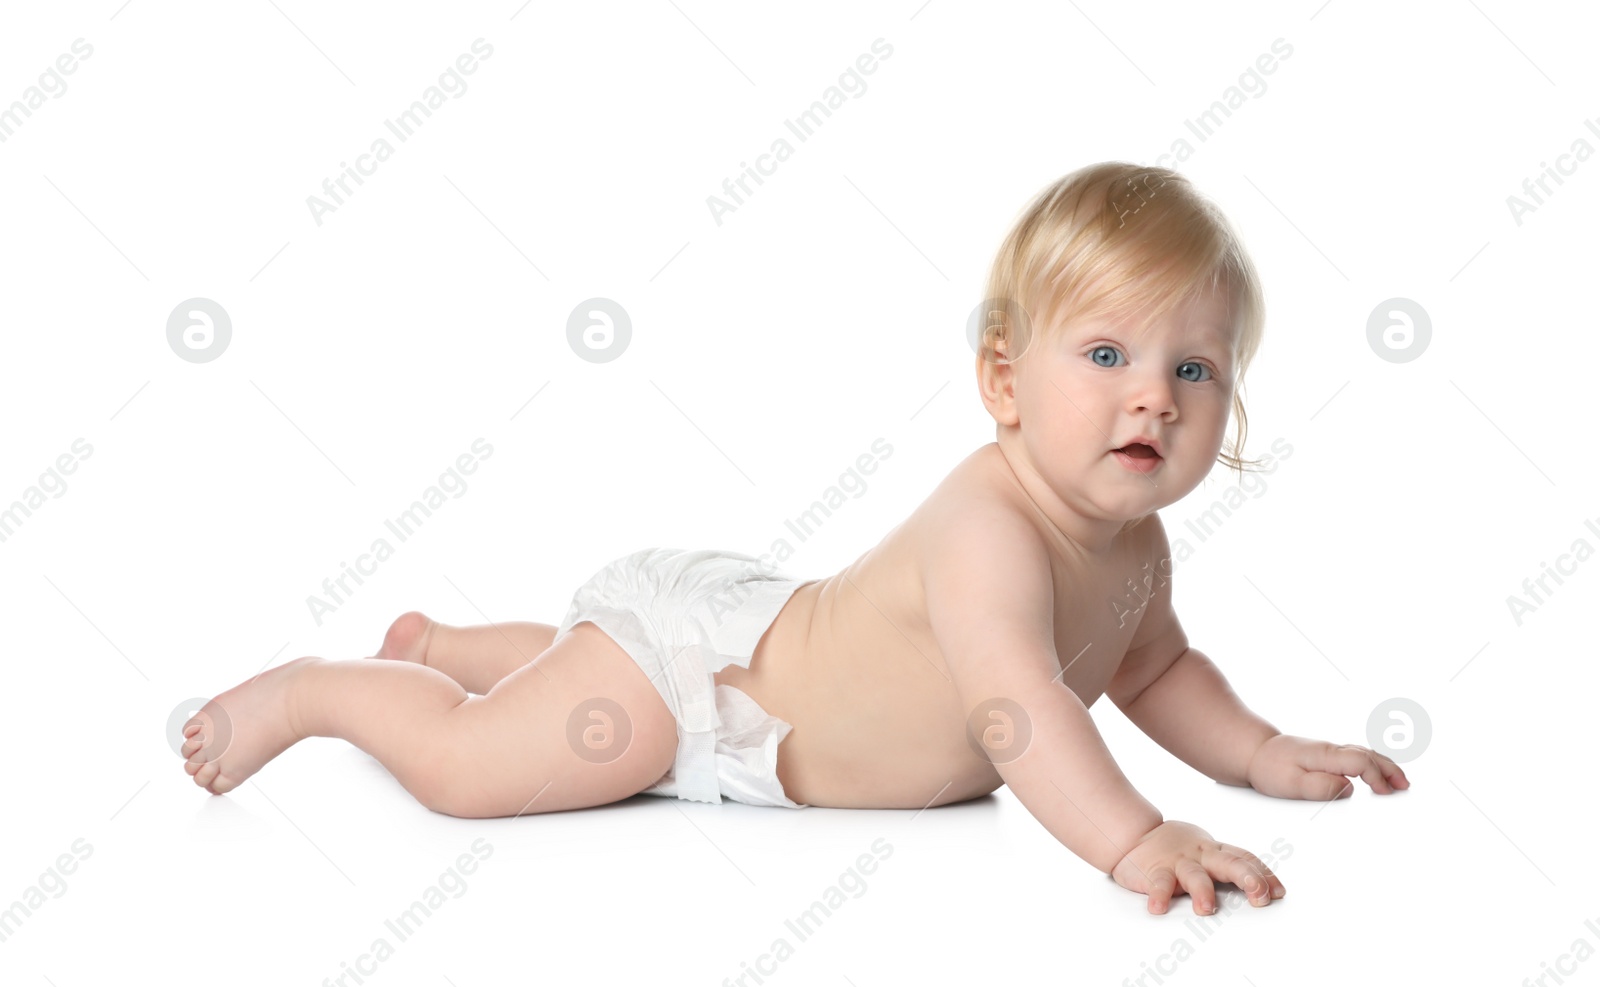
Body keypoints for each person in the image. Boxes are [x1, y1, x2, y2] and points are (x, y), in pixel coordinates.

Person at [179, 161, 1408, 915]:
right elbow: (1018, 708)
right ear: (1004, 381)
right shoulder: (990, 527)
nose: (1154, 395)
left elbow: (1152, 671)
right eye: (1106, 354)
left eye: (1194, 366)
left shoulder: (1135, 552)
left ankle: (445, 642)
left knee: (573, 680)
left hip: (754, 655)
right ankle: (319, 692)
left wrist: (1254, 751)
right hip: (697, 690)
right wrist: (1136, 838)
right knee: (469, 775)